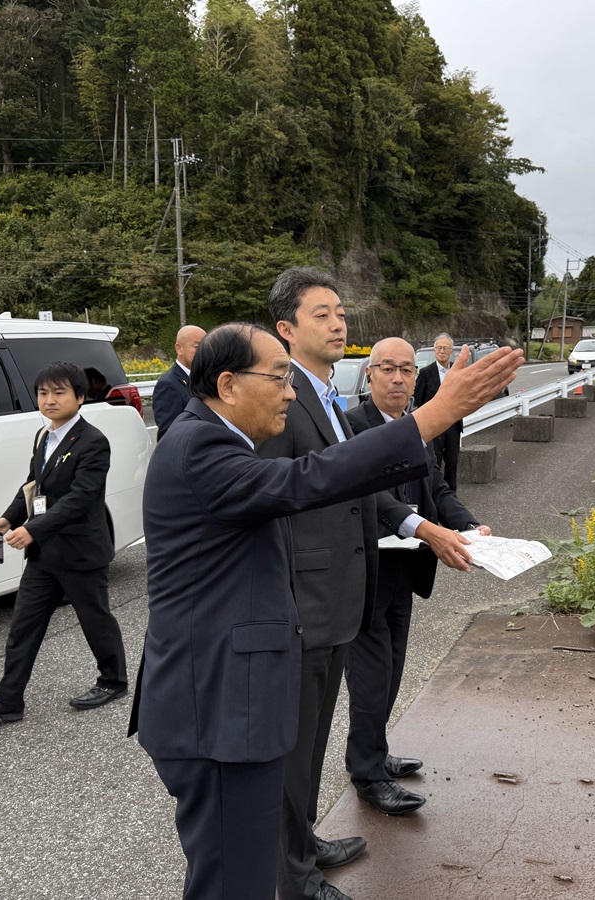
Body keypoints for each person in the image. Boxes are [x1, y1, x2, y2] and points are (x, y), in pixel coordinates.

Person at [128, 322, 522, 900]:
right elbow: (310, 479)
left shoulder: (216, 440)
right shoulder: (198, 447)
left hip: (230, 703)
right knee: (233, 881)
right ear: (229, 384)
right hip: (216, 712)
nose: (291, 392)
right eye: (280, 377)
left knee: (245, 871)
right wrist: (431, 416)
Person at [257, 267, 398, 900]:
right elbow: (278, 501)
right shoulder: (281, 399)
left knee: (312, 739)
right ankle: (292, 875)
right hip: (305, 600)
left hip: (341, 593)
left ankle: (303, 840)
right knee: (292, 745)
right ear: (285, 329)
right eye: (322, 314)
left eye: (341, 312)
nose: (339, 323)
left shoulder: (329, 395)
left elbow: (354, 489)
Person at [344, 338, 489, 816]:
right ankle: (367, 773)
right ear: (369, 375)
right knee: (371, 675)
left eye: (407, 369)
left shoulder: (416, 428)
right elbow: (365, 497)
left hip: (406, 565)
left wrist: (468, 525)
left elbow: (436, 487)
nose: (399, 379)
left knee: (393, 668)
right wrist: (430, 530)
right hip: (364, 570)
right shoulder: (349, 426)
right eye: (387, 369)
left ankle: (376, 752)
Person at [0, 361, 128, 723]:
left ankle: (113, 680)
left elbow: (81, 498)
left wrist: (34, 529)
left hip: (80, 550)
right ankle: (8, 700)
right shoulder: (43, 437)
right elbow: (33, 486)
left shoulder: (94, 442)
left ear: (79, 398)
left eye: (59, 392)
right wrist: (8, 519)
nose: (49, 400)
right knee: (23, 625)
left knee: (94, 619)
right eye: (43, 393)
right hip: (45, 553)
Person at [413, 332, 463, 491]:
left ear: (451, 351)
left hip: (453, 424)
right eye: (439, 348)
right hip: (434, 425)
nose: (442, 351)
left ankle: (452, 496)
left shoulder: (458, 370)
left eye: (445, 348)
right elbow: (419, 400)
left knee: (452, 462)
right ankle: (434, 496)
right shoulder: (426, 372)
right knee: (434, 462)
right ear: (434, 351)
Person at [153, 324, 206, 440]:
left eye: (205, 346)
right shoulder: (168, 384)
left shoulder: (205, 378)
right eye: (197, 347)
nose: (203, 351)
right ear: (179, 348)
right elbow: (168, 434)